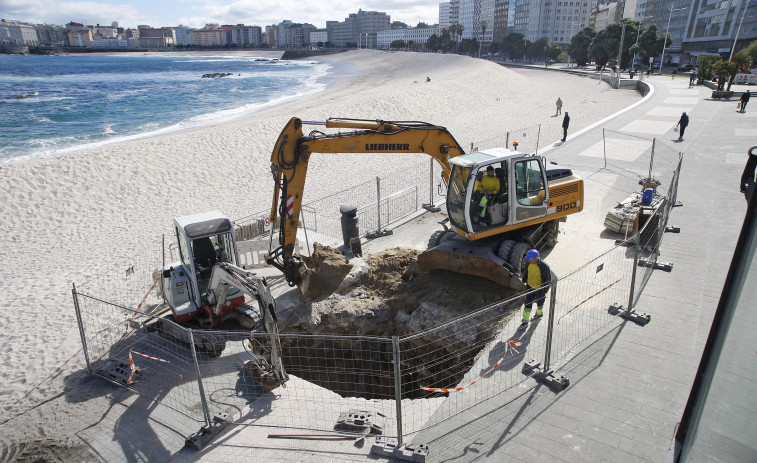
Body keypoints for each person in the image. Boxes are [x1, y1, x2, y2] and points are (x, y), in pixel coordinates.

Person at [517, 249, 552, 331]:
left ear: (535, 259)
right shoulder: (528, 263)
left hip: (540, 289)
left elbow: (548, 280)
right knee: (527, 304)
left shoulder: (544, 266)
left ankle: (539, 314)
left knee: (540, 303)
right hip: (530, 287)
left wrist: (544, 290)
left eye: (530, 259)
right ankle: (525, 322)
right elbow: (526, 272)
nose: (528, 260)